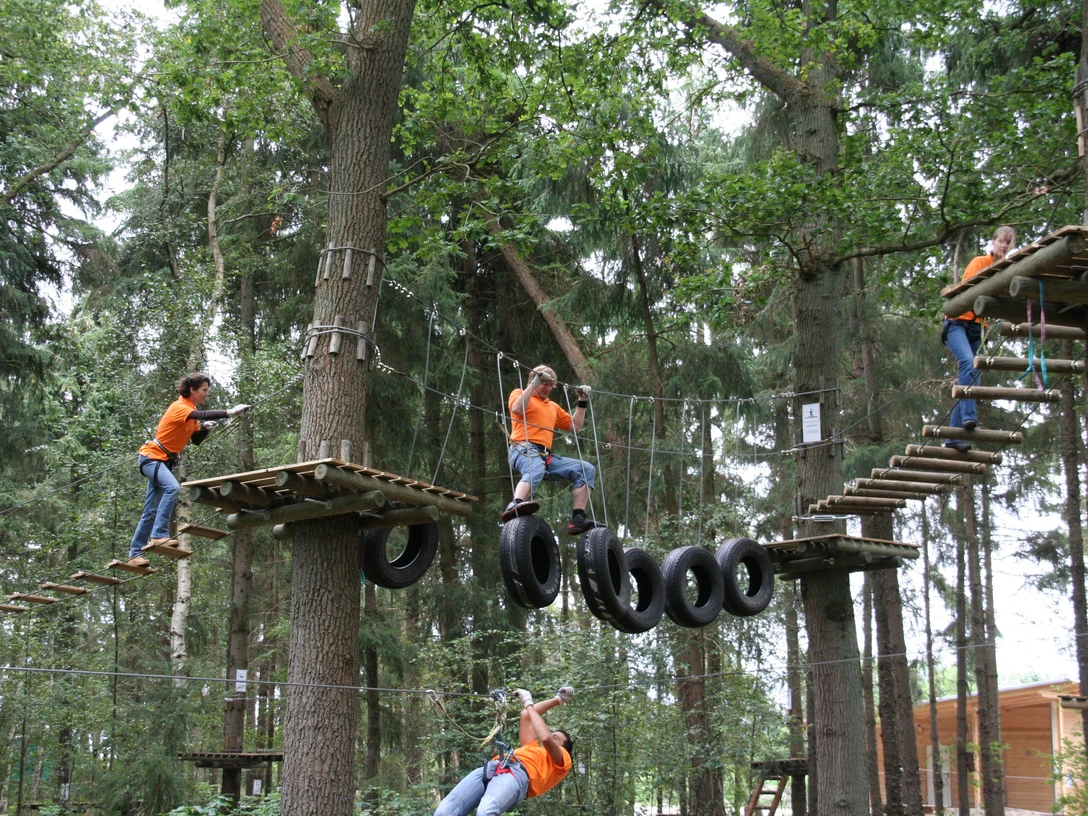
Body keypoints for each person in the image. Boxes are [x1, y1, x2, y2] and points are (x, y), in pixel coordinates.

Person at [127, 373, 249, 566]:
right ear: (192, 390)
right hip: (152, 457)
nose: (207, 394)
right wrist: (230, 412)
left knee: (150, 510)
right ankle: (159, 534)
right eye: (204, 390)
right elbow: (200, 415)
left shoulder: (190, 413)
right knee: (173, 488)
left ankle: (134, 555)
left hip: (162, 462)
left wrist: (205, 430)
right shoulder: (180, 407)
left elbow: (195, 440)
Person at [434, 686, 574, 816]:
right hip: (494, 767)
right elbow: (526, 715)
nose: (551, 736)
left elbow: (545, 737)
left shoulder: (562, 761)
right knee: (445, 810)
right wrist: (558, 700)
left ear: (564, 748)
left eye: (556, 737)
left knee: (486, 811)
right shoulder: (532, 747)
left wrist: (529, 703)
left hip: (517, 775)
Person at [941, 226, 1016, 454]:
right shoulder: (980, 261)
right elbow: (971, 288)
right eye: (1001, 241)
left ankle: (953, 437)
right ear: (993, 242)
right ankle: (969, 418)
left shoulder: (1008, 268)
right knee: (968, 363)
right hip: (957, 323)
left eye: (1008, 242)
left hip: (977, 328)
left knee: (972, 375)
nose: (1004, 245)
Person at [503, 365, 598, 535]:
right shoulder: (519, 394)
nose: (548, 388)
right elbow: (517, 409)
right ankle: (515, 503)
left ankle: (578, 518)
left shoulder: (552, 406)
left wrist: (582, 401)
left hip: (545, 455)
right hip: (522, 448)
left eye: (550, 385)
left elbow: (575, 427)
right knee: (535, 468)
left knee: (586, 469)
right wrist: (533, 384)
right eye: (544, 384)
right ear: (535, 380)